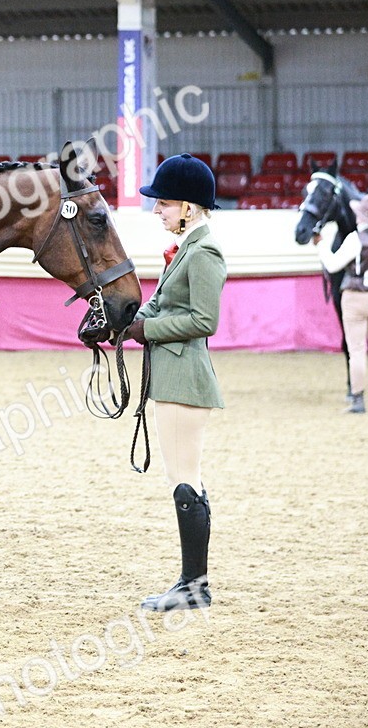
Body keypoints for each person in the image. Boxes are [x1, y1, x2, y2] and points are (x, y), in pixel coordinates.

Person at [122, 153, 226, 612]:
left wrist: (148, 330)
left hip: (184, 379)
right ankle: (192, 584)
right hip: (172, 376)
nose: (156, 210)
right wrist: (126, 324)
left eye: (163, 203)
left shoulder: (204, 252)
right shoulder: (184, 249)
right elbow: (162, 304)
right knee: (183, 480)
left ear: (188, 206)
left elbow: (204, 320)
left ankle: (192, 585)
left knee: (186, 482)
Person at [315, 194, 368, 413]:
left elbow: (332, 265)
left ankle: (358, 399)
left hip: (356, 296)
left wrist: (321, 246)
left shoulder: (355, 239)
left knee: (357, 349)